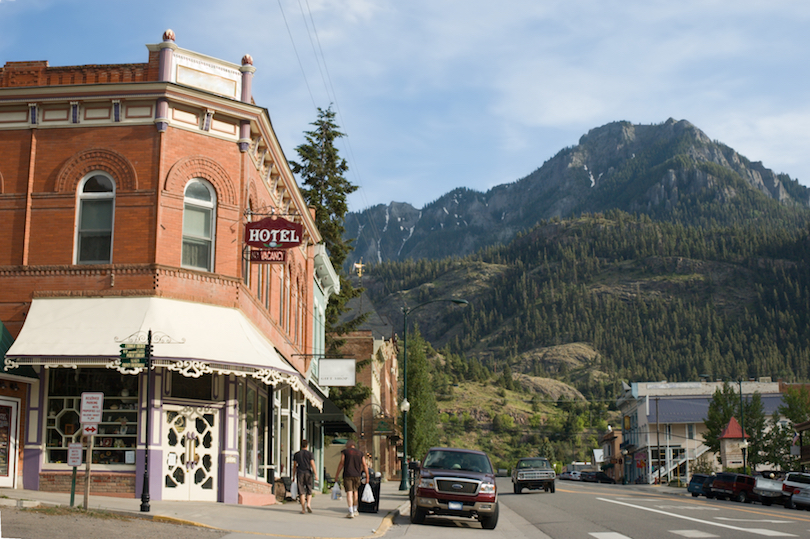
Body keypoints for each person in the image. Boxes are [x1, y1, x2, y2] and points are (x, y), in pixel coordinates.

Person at [335, 440, 368, 518]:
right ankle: (355, 509)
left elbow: (341, 463)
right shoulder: (360, 453)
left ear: (349, 445)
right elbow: (364, 464)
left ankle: (350, 511)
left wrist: (337, 475)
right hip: (357, 475)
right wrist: (367, 476)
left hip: (348, 474)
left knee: (349, 493)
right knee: (355, 492)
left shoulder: (345, 452)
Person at [292, 440, 317, 514]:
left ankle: (303, 509)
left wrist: (293, 475)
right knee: (309, 489)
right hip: (308, 472)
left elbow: (294, 466)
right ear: (307, 445)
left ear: (301, 445)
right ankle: (308, 504)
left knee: (301, 490)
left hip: (300, 473)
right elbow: (312, 464)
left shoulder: (297, 454)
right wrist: (316, 474)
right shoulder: (310, 454)